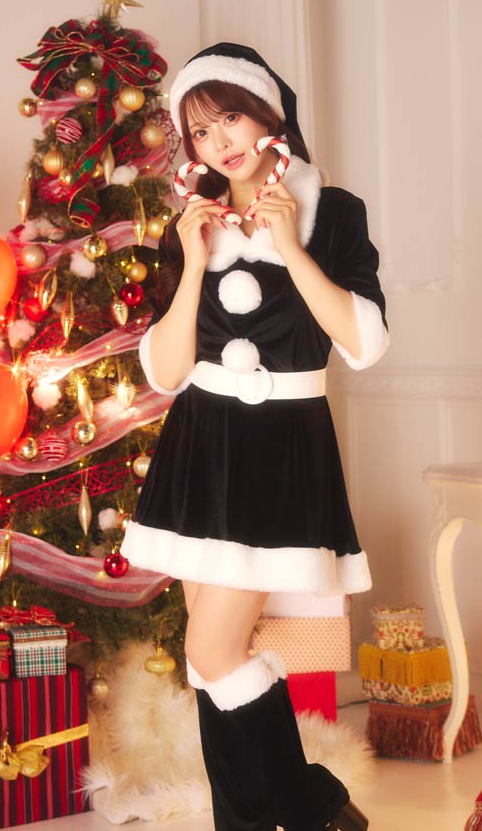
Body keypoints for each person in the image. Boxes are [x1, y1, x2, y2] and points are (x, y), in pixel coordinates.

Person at [121, 42, 388, 831]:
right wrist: (194, 258)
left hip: (280, 452)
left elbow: (364, 343)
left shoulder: (333, 212)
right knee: (210, 662)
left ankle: (311, 808)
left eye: (230, 117)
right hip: (200, 446)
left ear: (268, 114)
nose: (219, 143)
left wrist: (292, 249)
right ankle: (267, 817)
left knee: (213, 651)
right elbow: (167, 369)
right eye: (200, 133)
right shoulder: (192, 225)